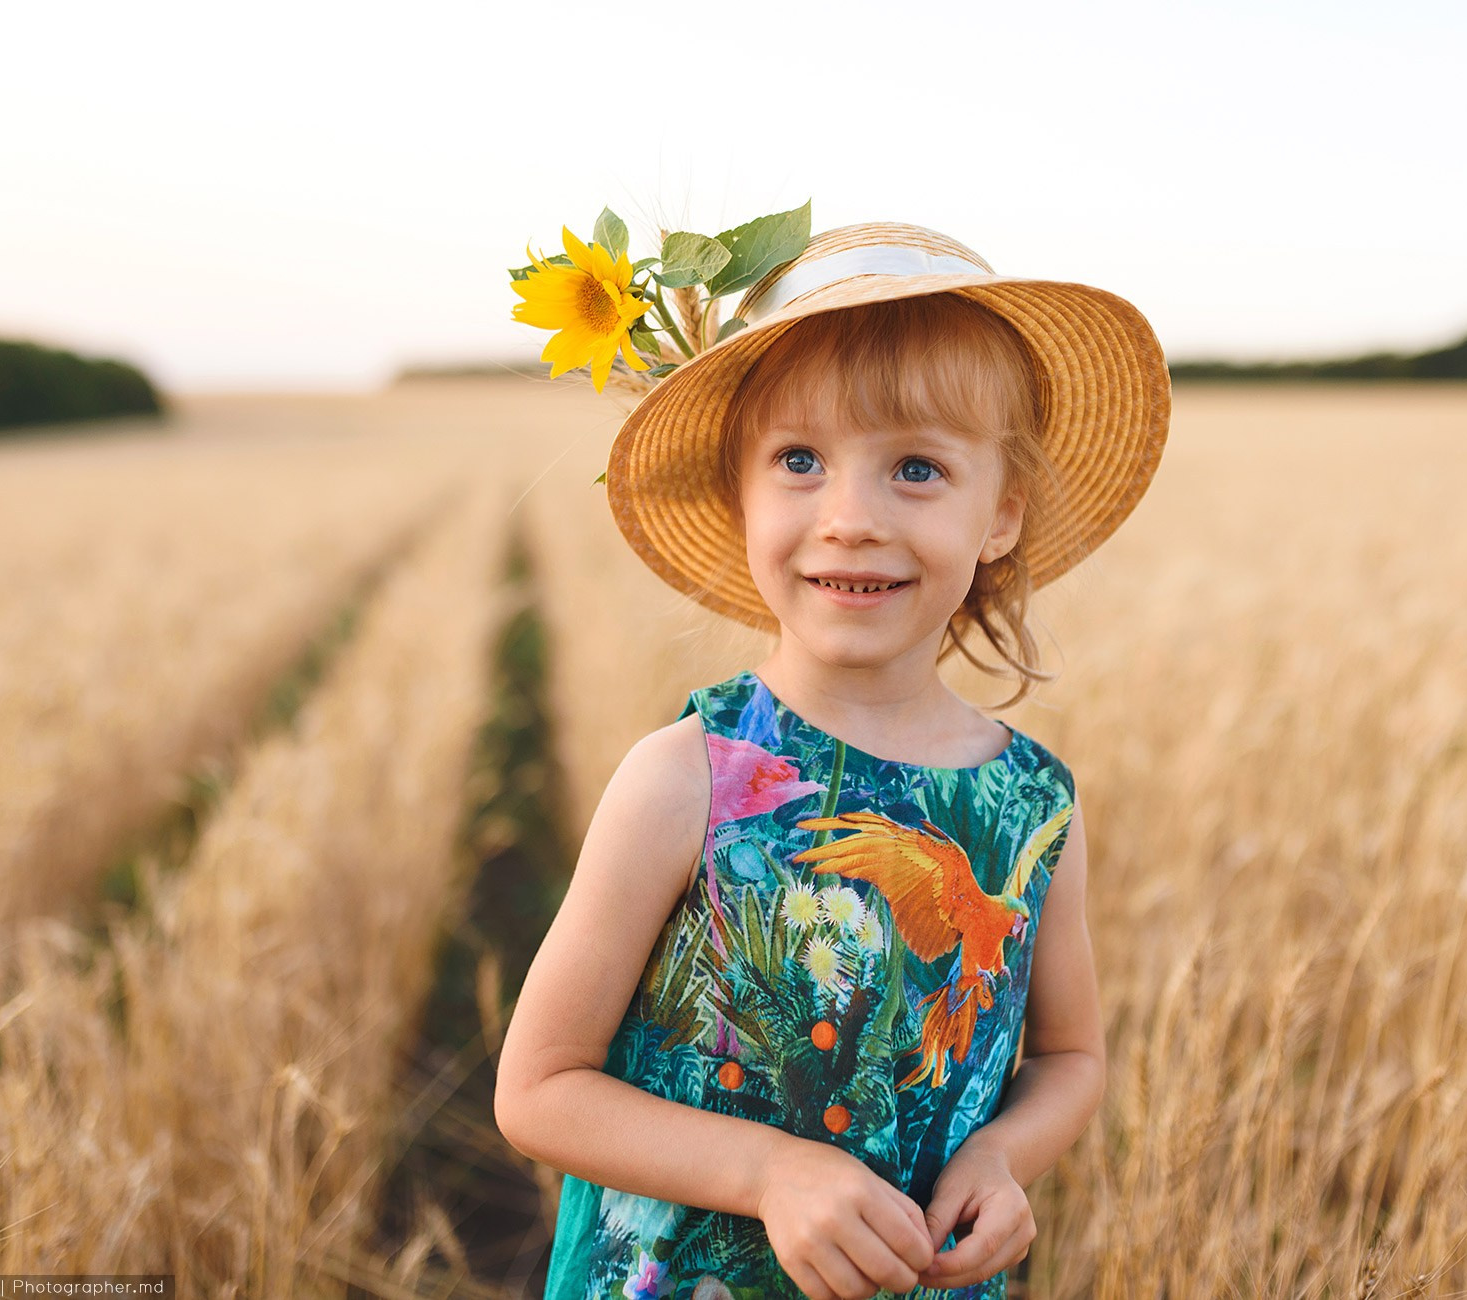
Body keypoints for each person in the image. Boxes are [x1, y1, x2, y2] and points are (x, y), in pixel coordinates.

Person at [494, 221, 1172, 1300]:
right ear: (741, 493)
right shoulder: (687, 777)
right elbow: (537, 1088)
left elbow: (1067, 1059)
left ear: (999, 513)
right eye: (799, 461)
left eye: (915, 468)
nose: (849, 519)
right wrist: (769, 1170)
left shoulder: (1034, 803)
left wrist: (1000, 1157)